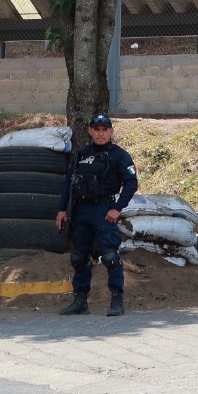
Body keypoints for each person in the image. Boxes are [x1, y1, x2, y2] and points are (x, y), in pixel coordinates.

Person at [54, 113, 138, 317]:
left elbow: (131, 183)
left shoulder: (120, 156)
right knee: (79, 258)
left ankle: (116, 300)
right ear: (90, 131)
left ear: (111, 131)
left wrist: (117, 208)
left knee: (109, 256)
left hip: (104, 210)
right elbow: (68, 183)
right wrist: (62, 209)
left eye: (104, 130)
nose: (100, 134)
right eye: (97, 130)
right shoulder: (81, 154)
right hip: (81, 211)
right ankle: (80, 301)